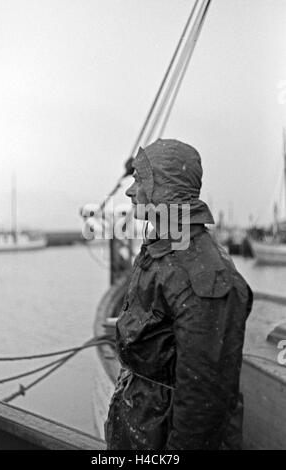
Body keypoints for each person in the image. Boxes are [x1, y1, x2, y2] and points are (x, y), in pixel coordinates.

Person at [105, 139, 253, 450]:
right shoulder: (163, 251)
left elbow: (204, 404)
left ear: (165, 191)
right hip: (141, 432)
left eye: (140, 180)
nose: (130, 192)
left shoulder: (203, 277)